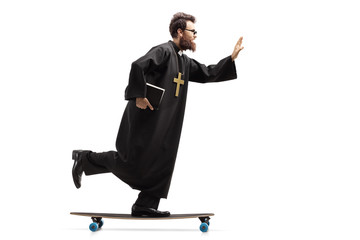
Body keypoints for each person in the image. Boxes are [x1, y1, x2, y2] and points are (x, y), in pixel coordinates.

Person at [72, 12, 244, 217]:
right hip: (147, 116)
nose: (195, 35)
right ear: (180, 32)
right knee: (132, 162)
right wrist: (138, 96)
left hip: (168, 122)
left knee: (163, 160)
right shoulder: (163, 51)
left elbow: (208, 73)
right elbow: (138, 66)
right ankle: (84, 158)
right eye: (193, 31)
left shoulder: (184, 62)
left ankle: (145, 205)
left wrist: (231, 58)